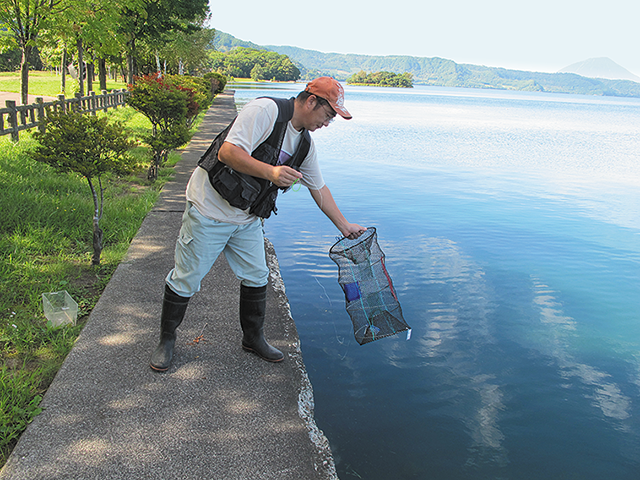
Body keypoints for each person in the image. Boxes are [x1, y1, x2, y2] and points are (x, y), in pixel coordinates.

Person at [150, 77, 366, 372]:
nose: (327, 123)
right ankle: (167, 340)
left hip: (246, 217)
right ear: (312, 101)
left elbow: (319, 188)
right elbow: (228, 152)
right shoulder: (266, 111)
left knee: (257, 275)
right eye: (328, 116)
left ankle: (253, 338)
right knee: (188, 277)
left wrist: (344, 225)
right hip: (209, 208)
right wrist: (272, 172)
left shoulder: (304, 145)